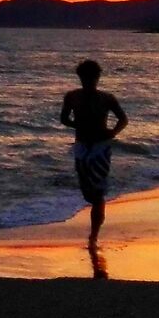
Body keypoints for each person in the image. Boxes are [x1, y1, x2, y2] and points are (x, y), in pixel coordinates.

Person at [59, 59, 128, 246]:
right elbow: (64, 118)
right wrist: (77, 124)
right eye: (85, 78)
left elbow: (123, 119)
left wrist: (112, 133)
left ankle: (93, 236)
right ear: (80, 77)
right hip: (81, 146)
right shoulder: (72, 96)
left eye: (92, 77)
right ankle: (94, 231)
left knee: (97, 195)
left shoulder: (107, 98)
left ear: (98, 77)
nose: (89, 81)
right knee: (87, 192)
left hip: (100, 147)